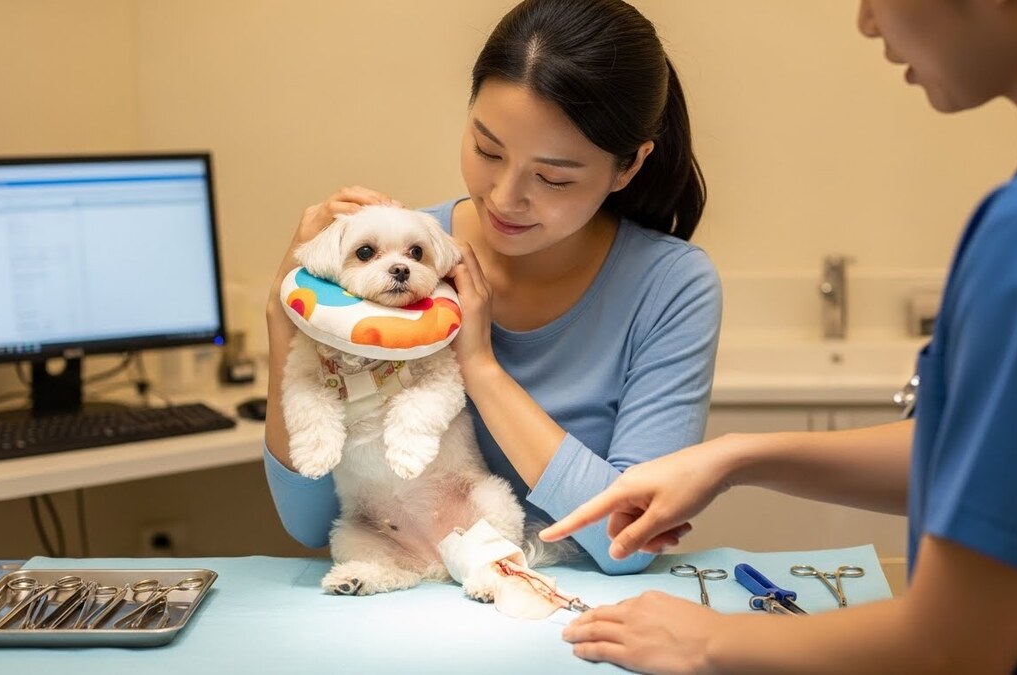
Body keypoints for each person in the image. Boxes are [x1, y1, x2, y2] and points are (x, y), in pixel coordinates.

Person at [540, 0, 1017, 672]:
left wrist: (707, 641)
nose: (865, 21)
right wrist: (740, 456)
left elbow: (953, 644)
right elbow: (1015, 460)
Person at [262, 0, 721, 575]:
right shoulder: (394, 262)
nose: (505, 197)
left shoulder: (671, 286)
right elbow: (308, 524)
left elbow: (628, 539)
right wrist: (287, 311)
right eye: (487, 149)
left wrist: (479, 365)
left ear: (628, 168)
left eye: (553, 177)